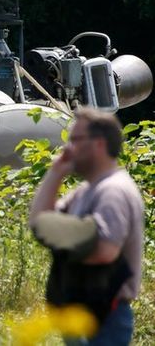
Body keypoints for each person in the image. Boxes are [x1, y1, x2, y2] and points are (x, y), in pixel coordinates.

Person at [29, 107, 144, 345]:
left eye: (76, 139)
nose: (68, 148)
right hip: (84, 314)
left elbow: (105, 250)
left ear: (99, 144)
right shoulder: (87, 190)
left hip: (104, 317)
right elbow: (40, 222)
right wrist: (56, 172)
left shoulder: (113, 190)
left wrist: (60, 241)